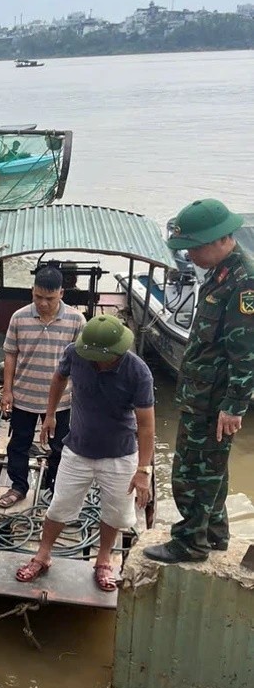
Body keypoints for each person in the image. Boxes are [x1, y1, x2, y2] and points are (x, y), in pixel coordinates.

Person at [144, 199, 254, 564]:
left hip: (215, 401)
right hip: (203, 394)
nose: (188, 255)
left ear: (219, 240)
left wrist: (234, 406)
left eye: (193, 247)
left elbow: (245, 352)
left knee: (191, 472)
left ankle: (189, 543)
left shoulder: (243, 283)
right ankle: (214, 533)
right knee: (214, 471)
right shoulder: (223, 274)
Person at [14, 315, 155, 592]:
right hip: (77, 448)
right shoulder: (74, 353)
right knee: (59, 506)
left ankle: (103, 560)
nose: (94, 361)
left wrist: (143, 470)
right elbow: (58, 378)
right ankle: (43, 555)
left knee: (114, 512)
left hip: (119, 454)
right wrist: (50, 414)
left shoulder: (138, 373)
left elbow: (147, 424)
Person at [0, 265, 86, 510]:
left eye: (50, 298)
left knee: (61, 447)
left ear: (61, 294)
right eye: (38, 297)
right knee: (19, 443)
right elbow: (10, 354)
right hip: (24, 395)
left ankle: (53, 488)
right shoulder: (19, 317)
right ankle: (18, 486)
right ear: (32, 292)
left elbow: (82, 363)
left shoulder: (77, 321)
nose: (43, 303)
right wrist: (7, 390)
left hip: (62, 401)